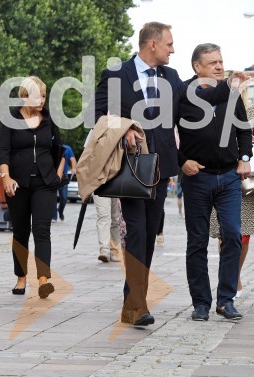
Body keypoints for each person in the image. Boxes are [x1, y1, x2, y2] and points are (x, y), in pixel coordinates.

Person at [94, 21, 183, 327]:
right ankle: (138, 304)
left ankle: (133, 300)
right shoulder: (117, 74)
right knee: (137, 229)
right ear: (153, 45)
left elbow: (193, 109)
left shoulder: (172, 77)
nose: (174, 49)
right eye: (169, 44)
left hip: (161, 168)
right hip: (130, 167)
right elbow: (99, 115)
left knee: (147, 235)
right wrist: (124, 127)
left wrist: (225, 87)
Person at [177, 43, 252, 322]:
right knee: (197, 241)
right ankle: (200, 303)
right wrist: (181, 160)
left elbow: (244, 131)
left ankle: (226, 300)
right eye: (213, 63)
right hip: (197, 178)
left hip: (229, 178)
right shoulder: (183, 93)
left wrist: (244, 157)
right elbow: (164, 131)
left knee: (232, 235)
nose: (220, 67)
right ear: (197, 67)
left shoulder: (232, 95)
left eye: (221, 62)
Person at [0, 77, 64, 299]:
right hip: (19, 183)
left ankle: (43, 279)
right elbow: (4, 152)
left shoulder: (49, 119)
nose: (42, 100)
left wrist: (57, 176)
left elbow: (60, 148)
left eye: (44, 96)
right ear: (23, 97)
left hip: (45, 183)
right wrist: (6, 178)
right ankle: (21, 277)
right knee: (20, 232)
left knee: (42, 229)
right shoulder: (11, 120)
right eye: (37, 96)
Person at [208, 81, 254, 299]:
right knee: (224, 232)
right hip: (221, 174)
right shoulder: (216, 109)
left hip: (247, 180)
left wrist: (248, 144)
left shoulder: (252, 111)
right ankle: (230, 278)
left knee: (244, 234)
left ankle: (236, 274)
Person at [52, 144, 76, 222]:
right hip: (52, 175)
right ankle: (54, 217)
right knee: (53, 197)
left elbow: (72, 159)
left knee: (64, 198)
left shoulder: (67, 148)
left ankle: (60, 211)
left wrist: (73, 168)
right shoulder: (51, 146)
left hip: (63, 177)